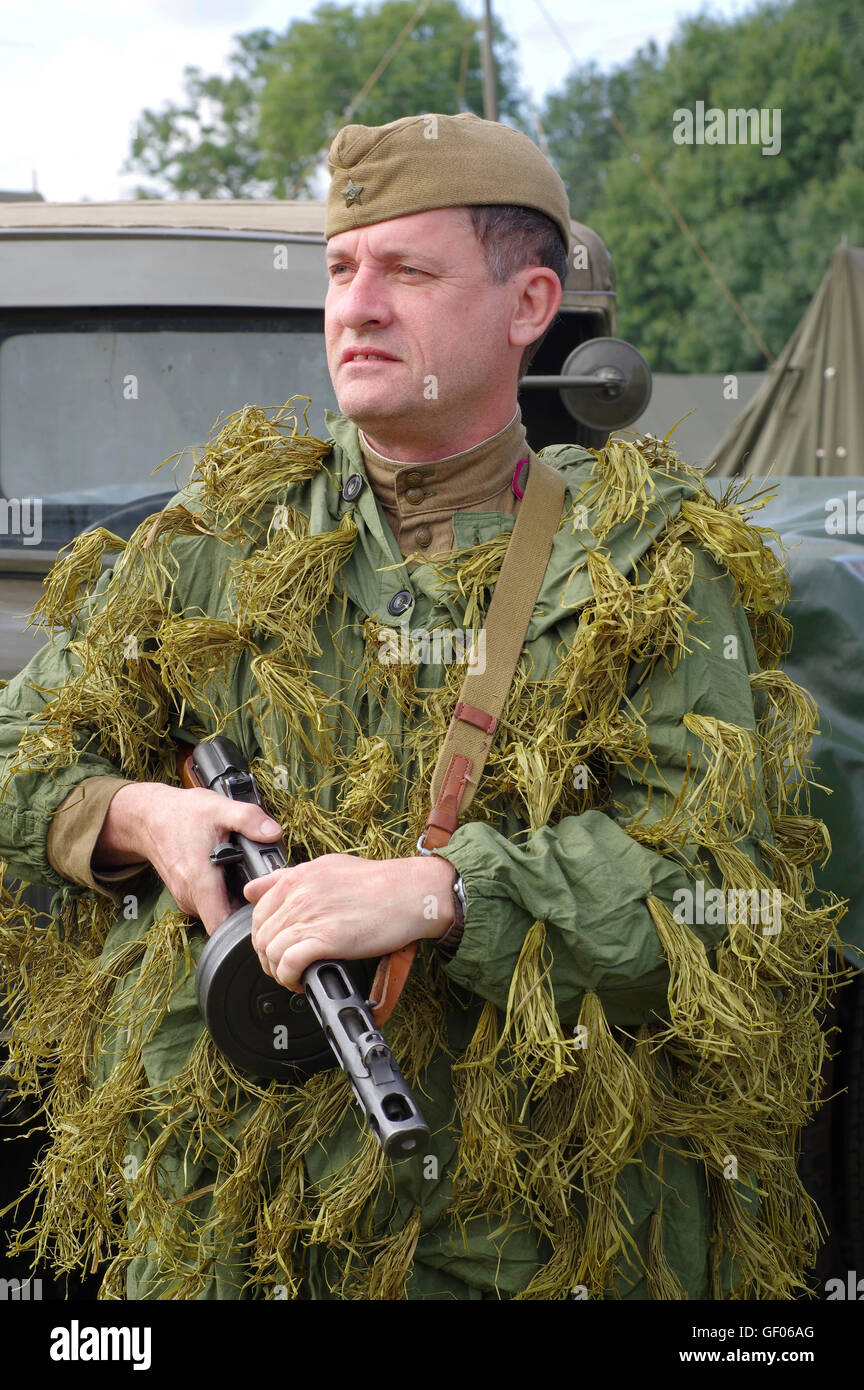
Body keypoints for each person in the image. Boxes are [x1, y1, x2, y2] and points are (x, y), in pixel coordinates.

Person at [0, 112, 841, 1301]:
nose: (358, 305)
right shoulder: (219, 538)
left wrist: (447, 892)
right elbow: (20, 749)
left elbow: (721, 891)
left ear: (529, 303)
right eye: (343, 270)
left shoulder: (642, 563)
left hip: (535, 1237)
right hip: (232, 1232)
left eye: (409, 270)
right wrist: (140, 817)